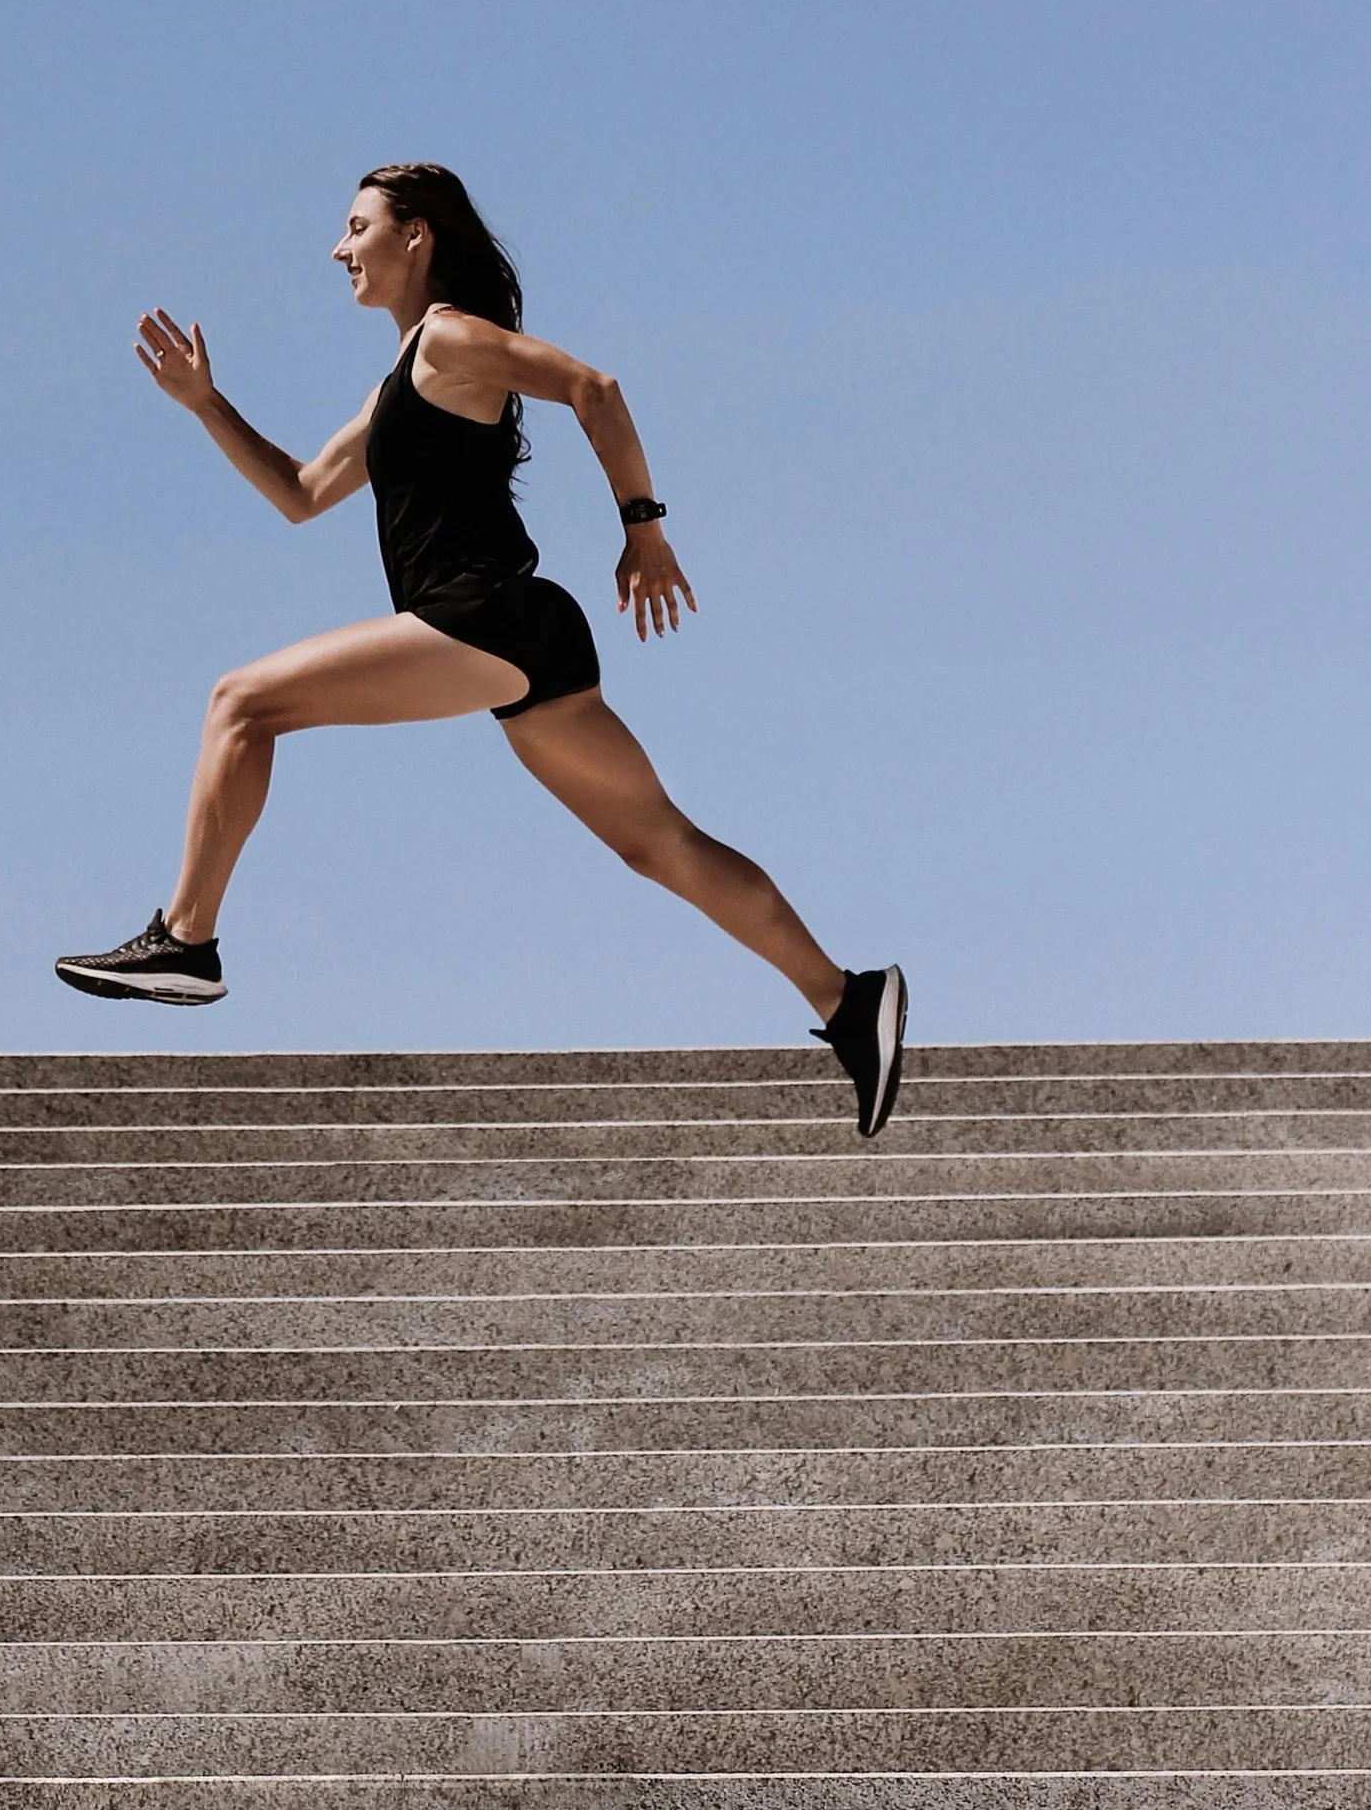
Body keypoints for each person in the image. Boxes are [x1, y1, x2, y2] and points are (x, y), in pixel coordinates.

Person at [55, 161, 907, 1136]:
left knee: (241, 702)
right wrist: (207, 403)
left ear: (416, 237)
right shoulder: (402, 383)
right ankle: (847, 1000)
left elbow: (593, 386)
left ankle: (185, 942)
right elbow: (297, 492)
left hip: (482, 619)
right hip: (527, 636)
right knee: (657, 843)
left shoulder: (452, 337)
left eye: (357, 227)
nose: (339, 249)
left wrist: (643, 528)